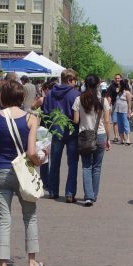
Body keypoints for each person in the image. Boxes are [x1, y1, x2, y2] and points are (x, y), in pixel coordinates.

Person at [0, 80, 46, 266]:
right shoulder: (31, 118)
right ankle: (31, 262)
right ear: (22, 98)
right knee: (30, 217)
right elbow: (31, 152)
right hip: (22, 174)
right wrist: (42, 155)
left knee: (3, 220)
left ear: (1, 97)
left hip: (2, 171)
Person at [72, 75, 112, 206]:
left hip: (84, 136)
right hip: (100, 135)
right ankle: (93, 195)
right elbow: (106, 121)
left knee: (86, 166)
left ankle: (88, 196)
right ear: (98, 85)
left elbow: (76, 121)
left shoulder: (79, 99)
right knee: (97, 167)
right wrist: (108, 138)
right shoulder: (103, 100)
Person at [42, 69, 80, 202]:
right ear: (69, 80)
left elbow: (45, 112)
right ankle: (69, 193)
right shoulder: (75, 95)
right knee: (72, 163)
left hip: (56, 130)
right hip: (72, 131)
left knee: (55, 162)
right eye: (74, 81)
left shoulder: (50, 94)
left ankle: (52, 191)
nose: (75, 83)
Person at [115, 80, 132, 145]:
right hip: (118, 110)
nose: (118, 85)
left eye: (120, 84)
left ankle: (128, 139)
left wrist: (129, 110)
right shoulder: (119, 92)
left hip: (125, 110)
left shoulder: (127, 92)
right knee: (120, 124)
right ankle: (121, 139)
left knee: (125, 124)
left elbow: (129, 102)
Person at [106, 73, 122, 142]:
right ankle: (116, 136)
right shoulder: (111, 86)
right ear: (114, 79)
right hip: (114, 105)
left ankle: (122, 137)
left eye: (118, 78)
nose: (117, 79)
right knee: (115, 121)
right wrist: (108, 107)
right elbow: (109, 97)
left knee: (122, 122)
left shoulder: (124, 86)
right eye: (116, 78)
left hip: (123, 106)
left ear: (121, 78)